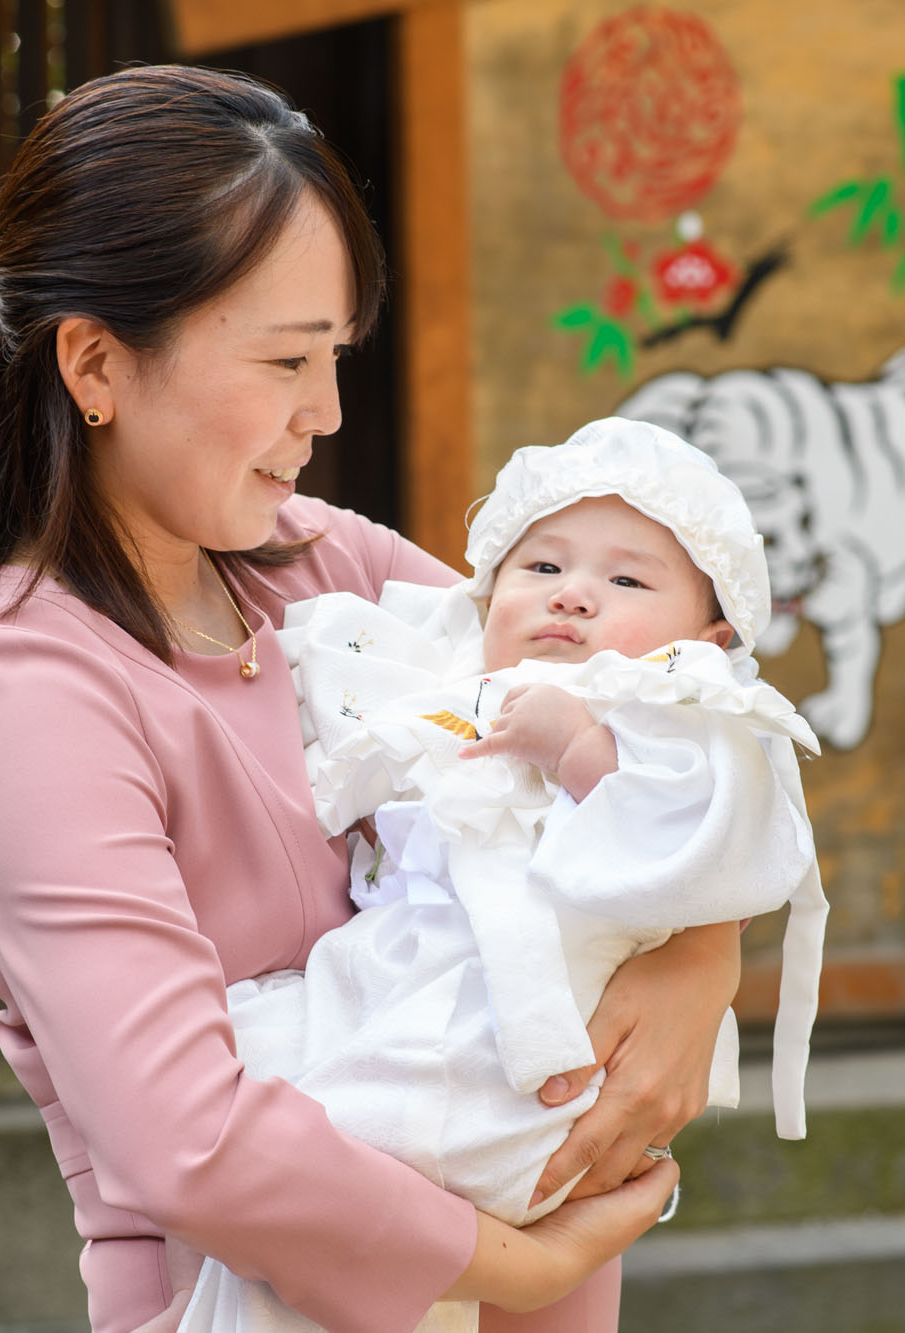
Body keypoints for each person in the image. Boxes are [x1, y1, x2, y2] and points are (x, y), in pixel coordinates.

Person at [0, 65, 750, 1333]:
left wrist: (699, 949)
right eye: (288, 359)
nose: (326, 413)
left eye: (335, 357)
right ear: (95, 364)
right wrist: (515, 1263)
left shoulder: (320, 569)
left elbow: (661, 715)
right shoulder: (26, 687)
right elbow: (188, 1136)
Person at [177, 418, 828, 1332]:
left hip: (517, 1047)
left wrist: (582, 752)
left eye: (628, 579)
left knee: (326, 1160)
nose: (574, 598)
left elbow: (714, 850)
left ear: (711, 635)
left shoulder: (686, 711)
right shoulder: (458, 672)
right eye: (543, 569)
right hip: (397, 980)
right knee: (267, 1064)